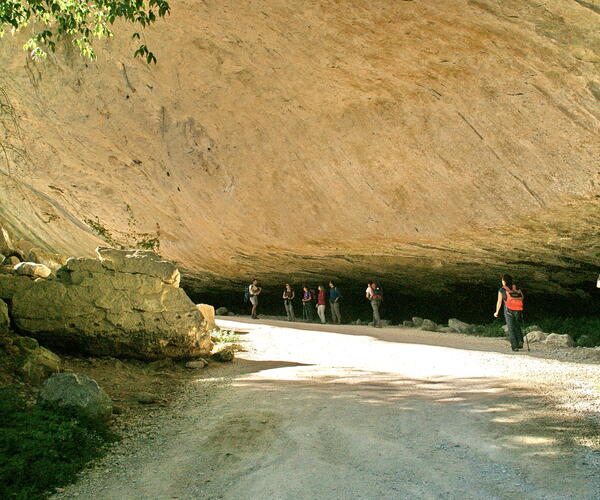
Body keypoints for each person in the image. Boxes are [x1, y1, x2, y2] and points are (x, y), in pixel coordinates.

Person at [494, 274, 524, 351]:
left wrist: (496, 312)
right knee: (517, 325)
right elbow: (522, 297)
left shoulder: (502, 290)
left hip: (508, 310)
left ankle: (514, 346)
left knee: (510, 328)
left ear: (504, 281)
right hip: (518, 309)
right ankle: (520, 340)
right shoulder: (516, 287)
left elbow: (499, 302)